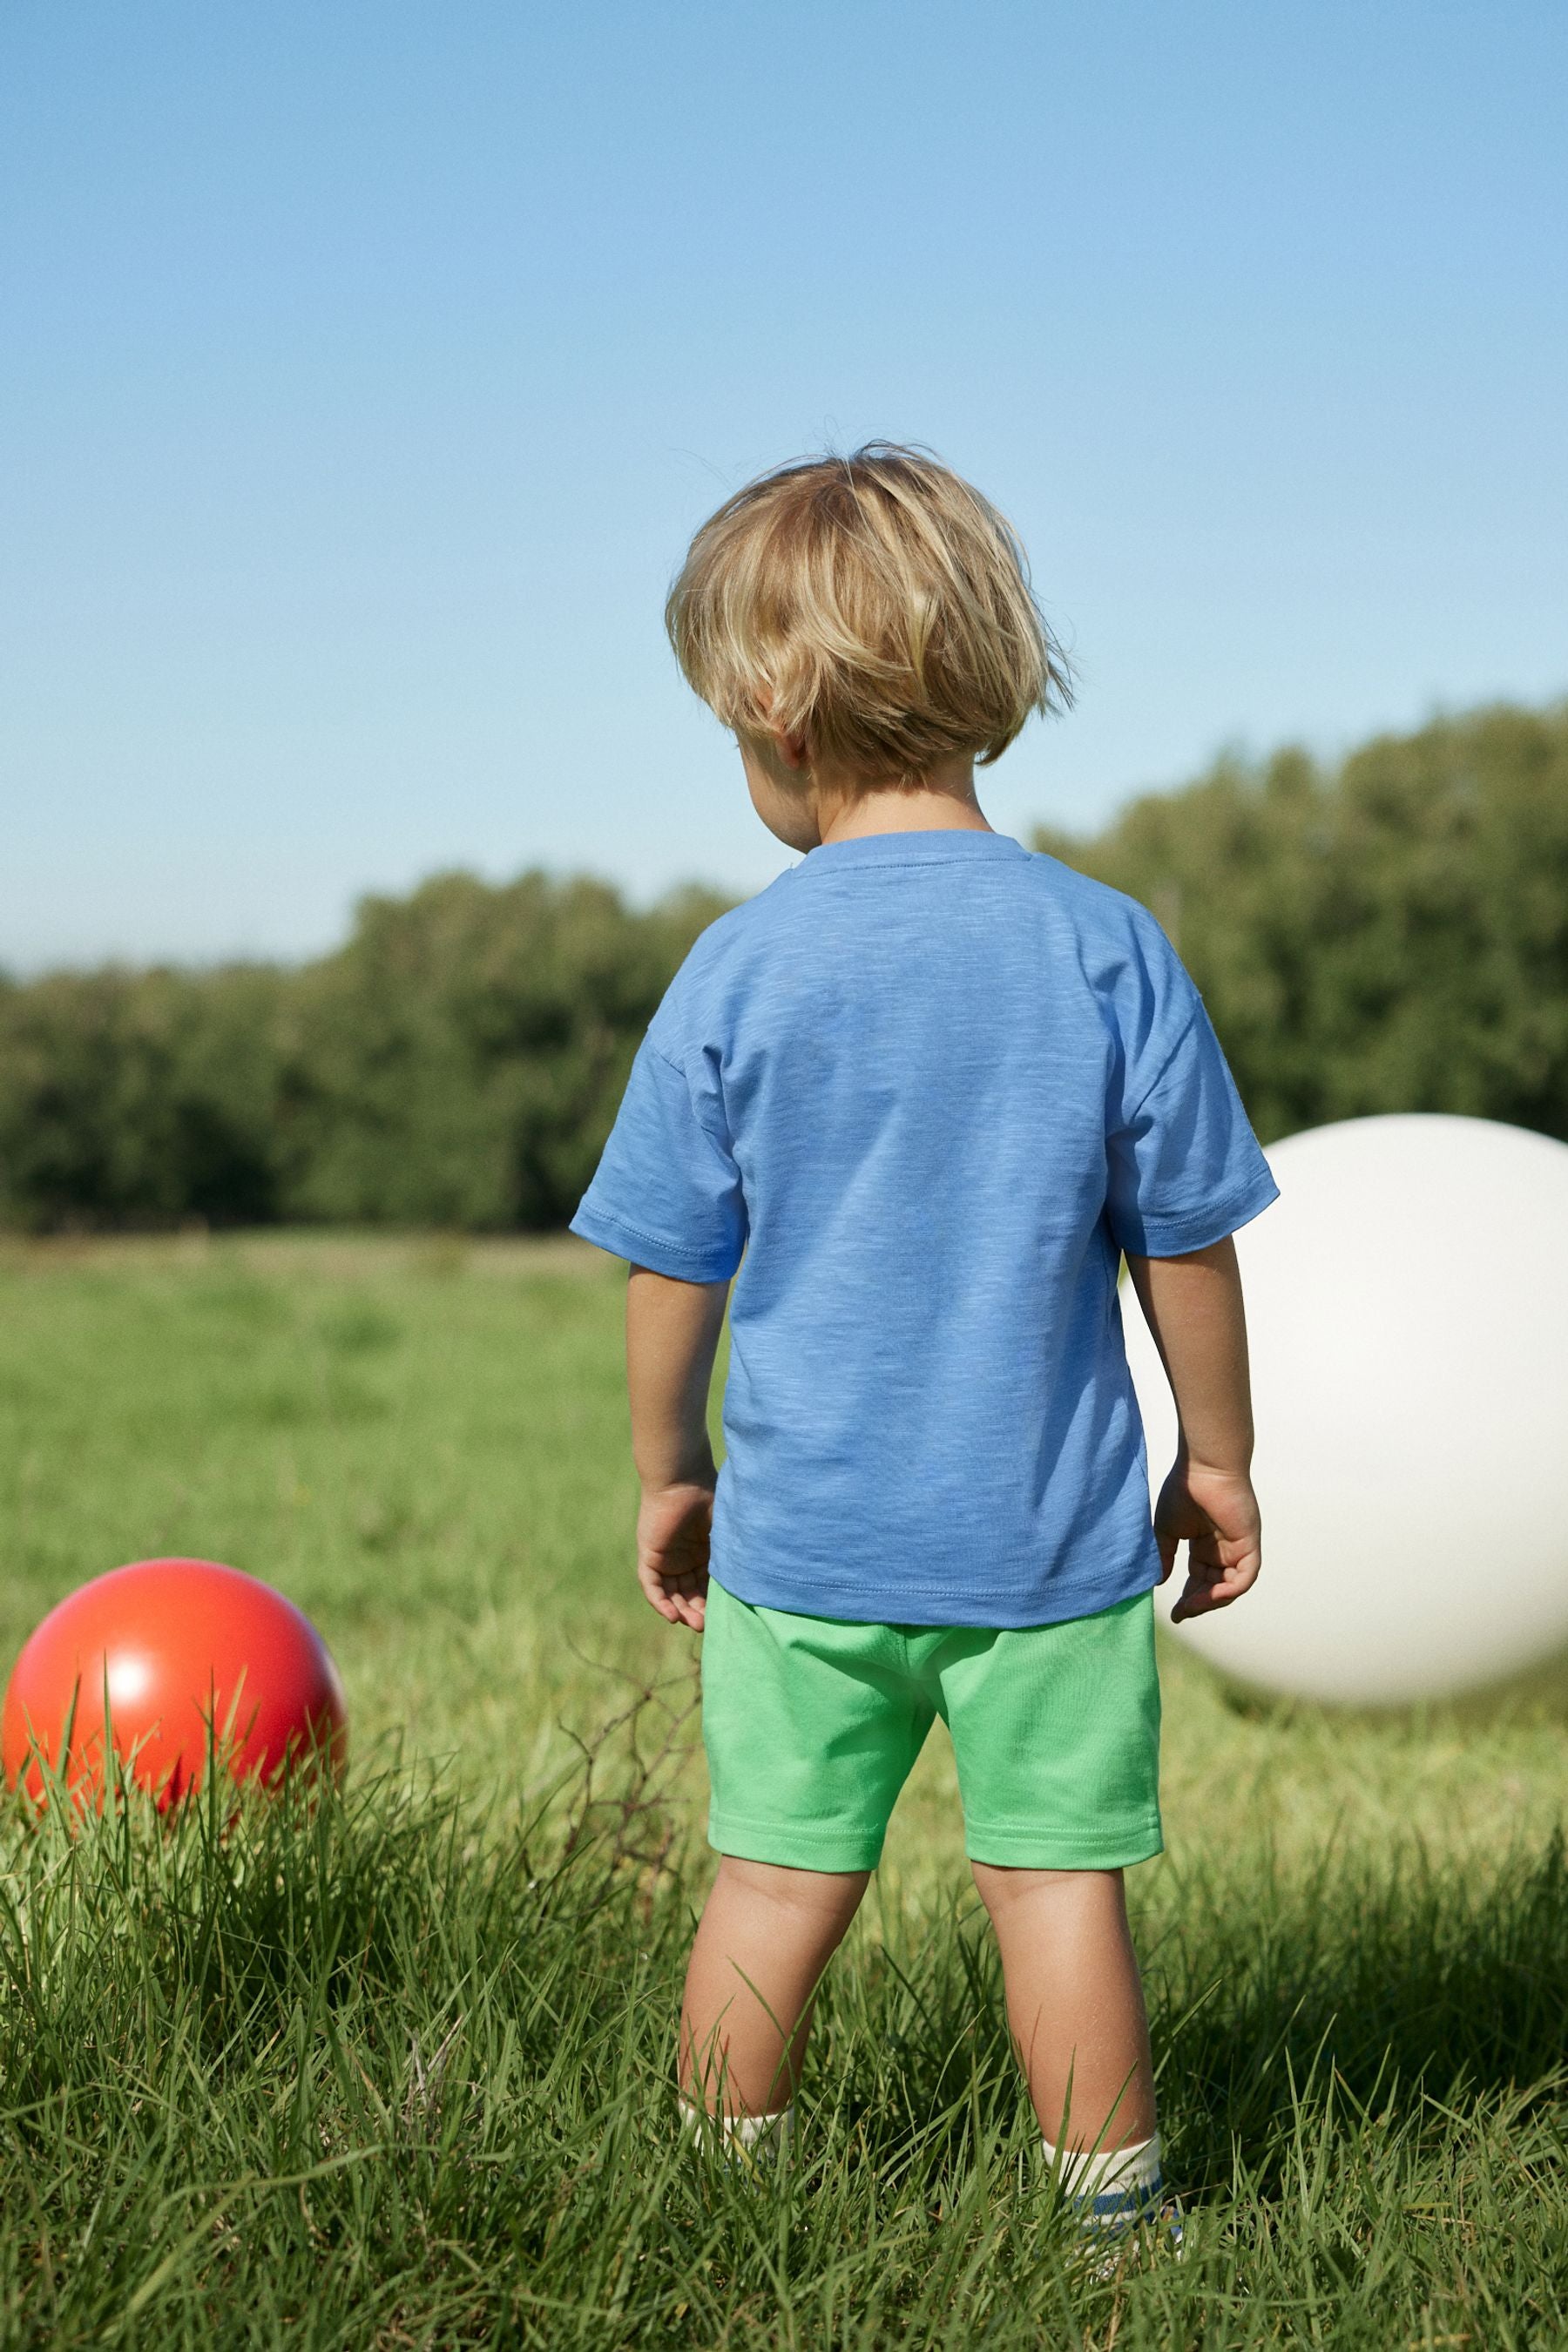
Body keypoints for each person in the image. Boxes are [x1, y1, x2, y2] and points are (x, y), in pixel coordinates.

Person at [570, 444, 1277, 2247]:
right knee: (1058, 1891)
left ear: (773, 716)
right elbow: (1182, 1240)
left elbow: (672, 1270)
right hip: (1044, 1546)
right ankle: (1115, 2220)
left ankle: (718, 2199)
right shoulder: (1106, 949)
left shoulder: (737, 969)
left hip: (804, 1550)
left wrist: (671, 1469)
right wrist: (1216, 1457)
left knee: (774, 1882)